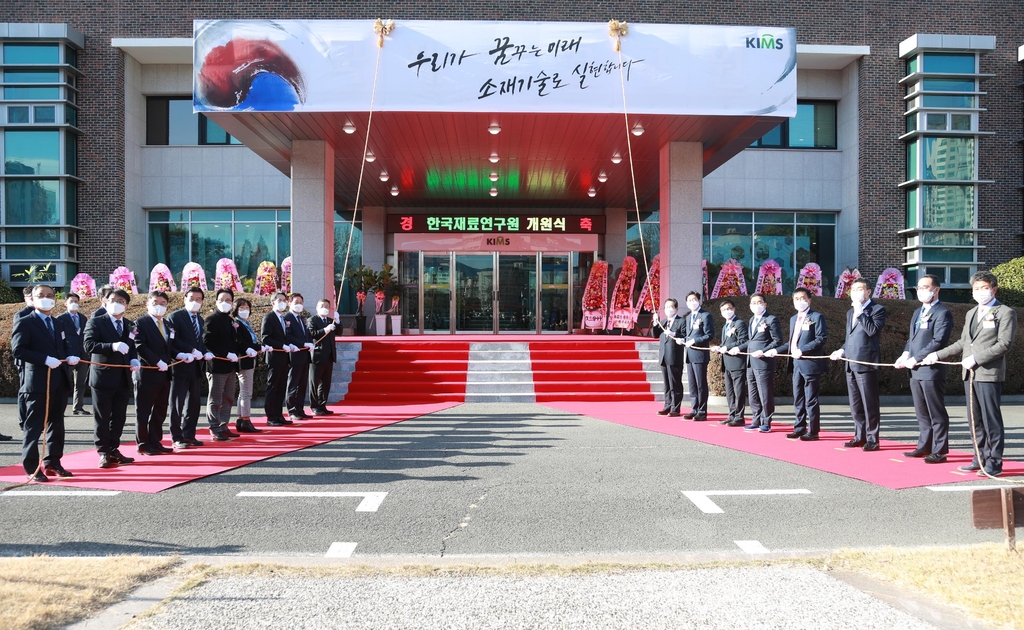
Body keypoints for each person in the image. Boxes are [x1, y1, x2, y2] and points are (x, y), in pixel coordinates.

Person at [925, 271, 1017, 477]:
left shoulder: (1005, 312)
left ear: (994, 289)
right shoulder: (971, 313)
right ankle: (979, 456)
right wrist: (937, 354)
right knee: (974, 418)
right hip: (969, 374)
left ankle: (994, 460)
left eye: (984, 288)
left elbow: (1004, 344)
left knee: (990, 418)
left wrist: (977, 358)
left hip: (988, 373)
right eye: (976, 289)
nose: (980, 292)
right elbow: (963, 342)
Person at [11, 284, 79, 481]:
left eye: (50, 295)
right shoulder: (25, 322)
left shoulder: (58, 324)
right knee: (34, 426)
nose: (46, 298)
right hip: (37, 382)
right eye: (41, 295)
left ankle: (53, 461)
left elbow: (62, 347)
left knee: (56, 424)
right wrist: (44, 359)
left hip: (58, 380)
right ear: (32, 298)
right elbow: (19, 350)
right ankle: (32, 466)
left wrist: (70, 356)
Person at [895, 274, 953, 463]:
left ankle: (940, 449)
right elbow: (911, 339)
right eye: (919, 287)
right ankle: (924, 445)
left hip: (930, 370)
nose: (921, 291)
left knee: (935, 411)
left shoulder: (942, 313)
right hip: (915, 369)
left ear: (936, 290)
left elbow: (939, 341)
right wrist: (905, 354)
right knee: (921, 411)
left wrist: (917, 358)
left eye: (925, 287)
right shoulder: (917, 312)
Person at [83, 289, 139, 469]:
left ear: (127, 305)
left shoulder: (130, 325)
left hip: (123, 377)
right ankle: (103, 452)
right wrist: (111, 346)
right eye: (112, 300)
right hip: (102, 377)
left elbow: (132, 347)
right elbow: (88, 345)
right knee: (102, 417)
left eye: (121, 300)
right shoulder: (96, 322)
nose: (116, 303)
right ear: (104, 302)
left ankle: (114, 448)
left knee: (119, 417)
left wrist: (133, 358)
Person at [830, 279, 887, 451]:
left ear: (868, 291)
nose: (855, 292)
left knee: (869, 402)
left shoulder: (877, 310)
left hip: (865, 362)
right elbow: (850, 338)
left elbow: (871, 331)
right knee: (855, 404)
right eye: (853, 289)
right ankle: (859, 435)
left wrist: (861, 312)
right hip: (850, 363)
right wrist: (842, 350)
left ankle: (872, 439)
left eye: (859, 289)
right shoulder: (850, 312)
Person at [767, 288, 828, 441]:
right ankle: (799, 427)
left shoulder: (816, 317)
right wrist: (776, 350)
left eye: (803, 298)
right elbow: (791, 342)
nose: (800, 302)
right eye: (796, 299)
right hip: (796, 364)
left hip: (810, 363)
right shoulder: (794, 318)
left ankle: (813, 431)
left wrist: (803, 350)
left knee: (810, 398)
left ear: (809, 300)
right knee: (798, 397)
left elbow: (821, 338)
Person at [167, 287, 213, 449]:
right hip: (180, 366)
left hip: (195, 368)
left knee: (194, 403)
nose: (195, 301)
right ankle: (176, 436)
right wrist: (190, 350)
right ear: (184, 299)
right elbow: (173, 340)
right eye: (192, 298)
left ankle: (189, 434)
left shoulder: (200, 320)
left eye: (199, 299)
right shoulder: (175, 317)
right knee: (177, 404)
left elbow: (202, 341)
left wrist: (206, 352)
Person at [132, 291, 175, 456]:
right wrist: (156, 361)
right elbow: (139, 345)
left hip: (165, 374)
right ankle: (143, 443)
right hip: (147, 373)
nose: (159, 306)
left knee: (160, 410)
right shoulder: (139, 323)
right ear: (147, 304)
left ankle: (155, 441)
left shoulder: (168, 325)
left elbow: (170, 346)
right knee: (143, 411)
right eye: (156, 302)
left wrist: (183, 354)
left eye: (163, 303)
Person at [203, 289, 242, 441]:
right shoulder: (211, 320)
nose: (225, 303)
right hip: (217, 366)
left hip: (231, 366)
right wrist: (225, 353)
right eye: (222, 299)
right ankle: (214, 427)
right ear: (216, 301)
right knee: (216, 398)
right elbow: (207, 341)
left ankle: (224, 425)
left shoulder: (231, 320)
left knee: (228, 398)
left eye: (228, 300)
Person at [742, 294, 783, 433]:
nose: (756, 305)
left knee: (764, 393)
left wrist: (763, 351)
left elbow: (777, 340)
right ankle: (756, 419)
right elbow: (751, 340)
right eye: (753, 302)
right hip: (750, 362)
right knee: (753, 393)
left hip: (763, 362)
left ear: (765, 304)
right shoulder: (752, 319)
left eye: (759, 302)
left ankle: (766, 421)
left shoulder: (771, 319)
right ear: (750, 305)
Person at [711, 299, 748, 427]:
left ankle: (739, 416)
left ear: (734, 308)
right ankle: (732, 414)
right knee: (730, 391)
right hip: (726, 362)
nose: (726, 311)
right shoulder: (726, 325)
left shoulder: (739, 323)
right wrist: (719, 347)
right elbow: (725, 343)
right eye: (723, 310)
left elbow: (743, 340)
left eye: (728, 309)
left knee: (738, 391)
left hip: (737, 362)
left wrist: (729, 347)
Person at [262, 292, 297, 427]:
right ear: (273, 302)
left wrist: (290, 345)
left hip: (284, 357)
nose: (282, 302)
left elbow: (285, 336)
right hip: (274, 357)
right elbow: (266, 337)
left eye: (284, 300)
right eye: (279, 300)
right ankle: (270, 416)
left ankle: (278, 414)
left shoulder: (283, 318)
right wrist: (281, 345)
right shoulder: (269, 317)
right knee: (273, 387)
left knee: (281, 387)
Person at [232, 297, 265, 434]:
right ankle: (246, 419)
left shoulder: (246, 324)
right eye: (241, 308)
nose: (245, 311)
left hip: (250, 359)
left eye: (247, 308)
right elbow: (239, 342)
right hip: (244, 359)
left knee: (243, 392)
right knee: (247, 392)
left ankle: (240, 419)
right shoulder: (237, 324)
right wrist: (257, 347)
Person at [56, 292, 90, 415]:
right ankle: (59, 408)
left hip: (82, 355)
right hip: (68, 356)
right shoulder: (60, 319)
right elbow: (59, 339)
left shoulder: (83, 318)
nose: (74, 304)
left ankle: (78, 407)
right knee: (63, 383)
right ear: (65, 303)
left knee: (80, 383)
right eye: (71, 302)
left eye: (76, 301)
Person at [682, 291, 714, 420]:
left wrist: (695, 341)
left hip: (700, 353)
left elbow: (709, 334)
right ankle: (694, 408)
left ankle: (702, 410)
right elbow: (688, 334)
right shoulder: (689, 317)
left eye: (694, 299)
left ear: (699, 300)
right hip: (689, 354)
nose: (692, 302)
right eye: (689, 300)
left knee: (701, 384)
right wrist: (683, 339)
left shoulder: (705, 315)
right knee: (692, 384)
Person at [285, 293, 315, 422]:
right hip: (295, 355)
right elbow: (288, 336)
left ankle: (300, 408)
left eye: (301, 303)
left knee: (302, 384)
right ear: (289, 303)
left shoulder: (302, 319)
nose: (299, 305)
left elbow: (306, 335)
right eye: (296, 302)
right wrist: (302, 344)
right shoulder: (287, 318)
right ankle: (291, 410)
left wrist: (309, 343)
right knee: (293, 383)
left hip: (305, 355)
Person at [655, 298, 687, 417]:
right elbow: (655, 334)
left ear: (676, 308)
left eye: (671, 307)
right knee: (667, 384)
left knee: (675, 383)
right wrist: (655, 322)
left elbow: (684, 335)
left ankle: (675, 407)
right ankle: (667, 405)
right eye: (667, 307)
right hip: (663, 356)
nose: (669, 309)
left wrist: (675, 334)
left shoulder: (681, 321)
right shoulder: (663, 322)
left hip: (674, 356)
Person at [308, 298, 339, 416]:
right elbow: (312, 333)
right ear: (317, 307)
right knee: (314, 382)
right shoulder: (312, 320)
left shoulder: (331, 321)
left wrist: (338, 321)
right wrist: (324, 330)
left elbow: (339, 332)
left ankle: (322, 404)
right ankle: (314, 406)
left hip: (329, 356)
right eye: (322, 306)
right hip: (317, 355)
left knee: (325, 383)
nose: (324, 308)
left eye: (327, 306)